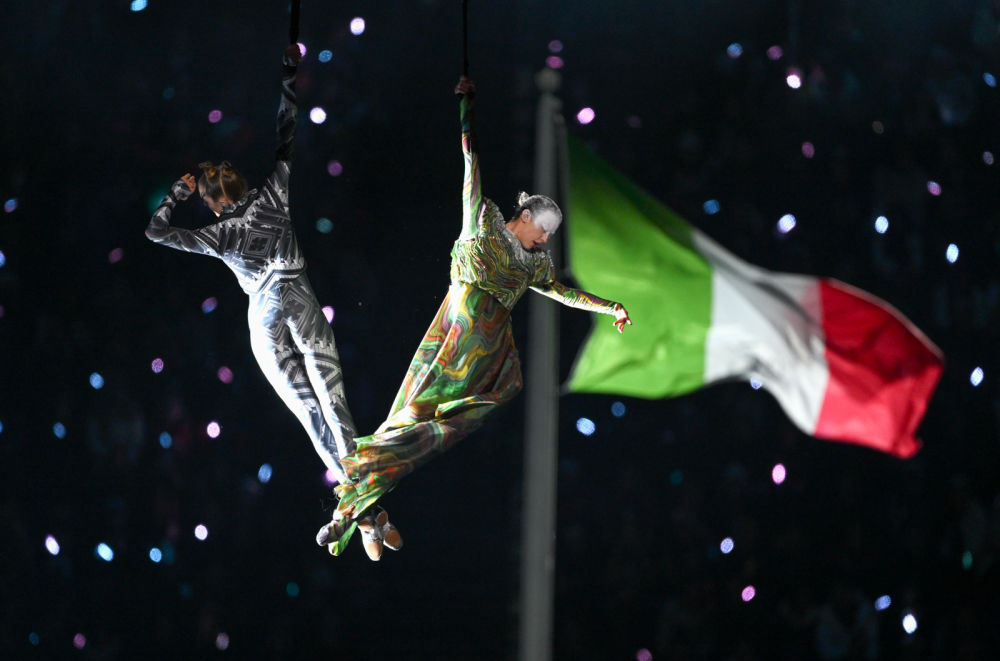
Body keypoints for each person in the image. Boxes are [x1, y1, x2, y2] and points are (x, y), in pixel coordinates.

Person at [317, 76, 631, 556]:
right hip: (450, 338)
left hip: (485, 361)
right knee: (406, 422)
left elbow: (563, 293)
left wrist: (610, 306)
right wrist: (466, 106)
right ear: (525, 217)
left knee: (429, 430)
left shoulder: (534, 265)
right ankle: (361, 515)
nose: (546, 239)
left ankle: (353, 514)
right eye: (544, 229)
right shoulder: (481, 221)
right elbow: (471, 161)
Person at [145, 44, 398, 561]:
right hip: (297, 296)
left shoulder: (218, 234)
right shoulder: (273, 193)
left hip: (263, 319)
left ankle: (366, 516)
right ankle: (367, 508)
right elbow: (287, 129)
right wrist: (288, 72)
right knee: (334, 402)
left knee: (310, 415)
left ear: (213, 202)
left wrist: (175, 195)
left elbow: (155, 231)